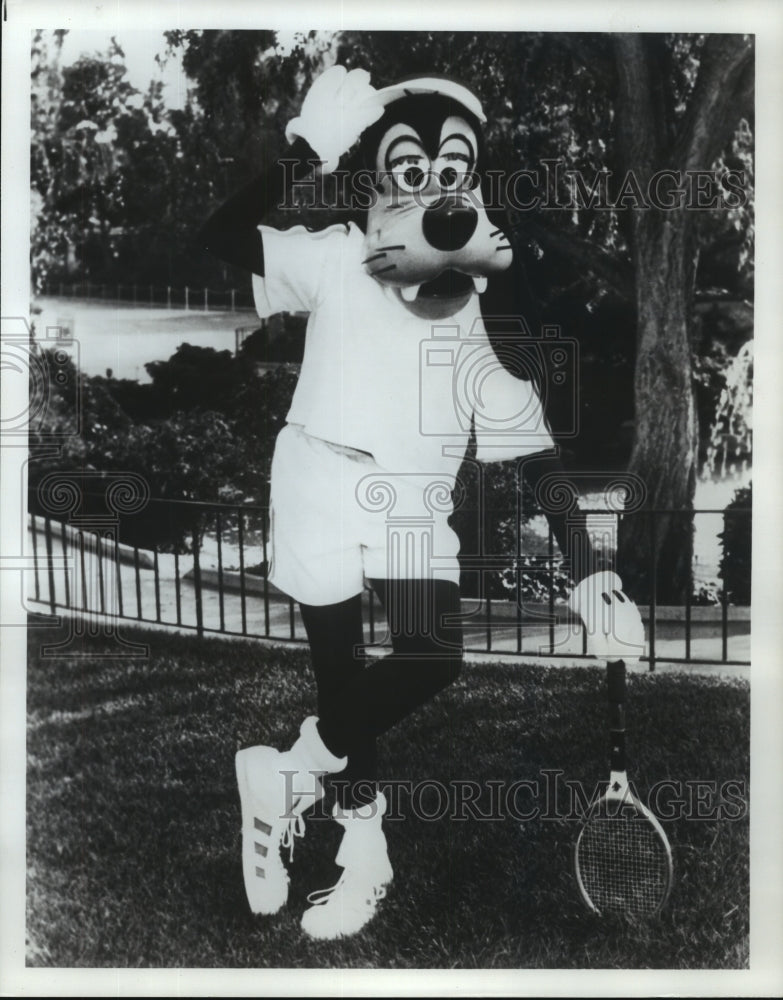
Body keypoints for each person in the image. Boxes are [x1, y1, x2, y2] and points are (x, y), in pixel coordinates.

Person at [200, 65, 645, 941]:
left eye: (453, 174)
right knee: (342, 678)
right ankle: (362, 858)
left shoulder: (485, 319)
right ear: (374, 175)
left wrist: (590, 571)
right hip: (320, 476)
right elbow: (216, 238)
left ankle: (283, 777)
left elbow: (534, 456)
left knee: (431, 655)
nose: (434, 191)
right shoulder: (333, 253)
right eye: (411, 169)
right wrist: (302, 150)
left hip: (412, 503)